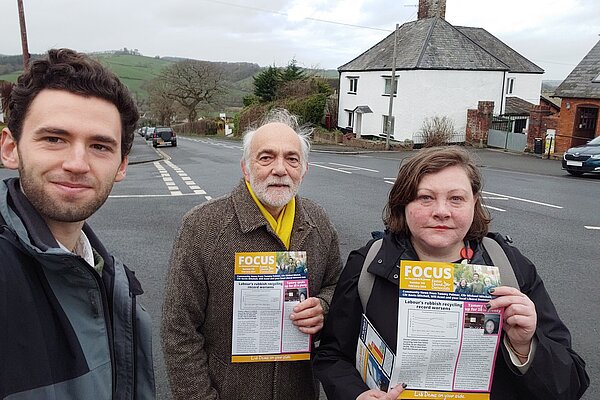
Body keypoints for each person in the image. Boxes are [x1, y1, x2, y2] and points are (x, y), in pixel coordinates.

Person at [314, 146, 589, 400]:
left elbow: (571, 384)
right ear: (403, 204)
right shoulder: (368, 265)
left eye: (456, 198)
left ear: (474, 203)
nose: (441, 212)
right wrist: (356, 394)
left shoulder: (508, 266)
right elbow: (333, 355)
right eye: (425, 198)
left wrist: (526, 347)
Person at [0, 49, 155, 399]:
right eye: (54, 139)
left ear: (121, 166)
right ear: (11, 149)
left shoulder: (109, 277)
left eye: (100, 146)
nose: (77, 163)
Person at [161, 108, 343, 400]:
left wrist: (322, 306)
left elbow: (338, 287)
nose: (280, 169)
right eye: (266, 157)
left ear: (304, 169)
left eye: (292, 159)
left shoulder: (318, 222)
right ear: (246, 168)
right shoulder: (202, 226)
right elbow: (178, 330)